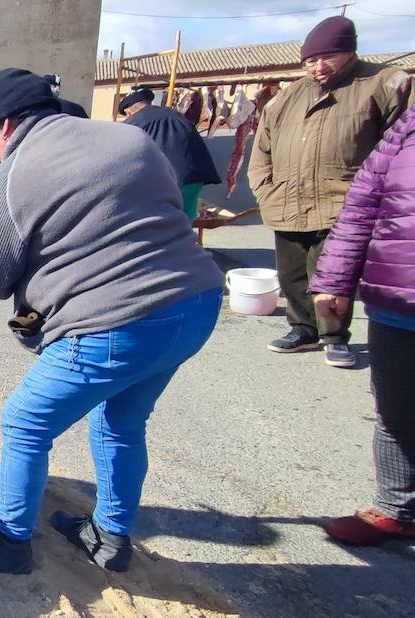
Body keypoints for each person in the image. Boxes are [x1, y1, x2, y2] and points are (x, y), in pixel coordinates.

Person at [0, 68, 223, 574]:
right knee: (121, 423)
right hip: (196, 303)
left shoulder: (13, 174)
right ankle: (110, 537)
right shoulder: (128, 137)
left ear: (4, 125)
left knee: (24, 423)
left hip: (119, 323)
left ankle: (9, 542)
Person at [248, 15, 412, 367]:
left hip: (344, 202)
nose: (318, 67)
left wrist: (383, 198)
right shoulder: (286, 98)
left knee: (331, 273)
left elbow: (401, 147)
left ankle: (334, 335)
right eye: (310, 60)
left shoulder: (382, 84)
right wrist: (265, 191)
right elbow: (261, 151)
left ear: (350, 52)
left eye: (327, 58)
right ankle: (302, 329)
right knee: (291, 273)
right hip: (287, 200)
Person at [309, 102, 415, 546]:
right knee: (395, 408)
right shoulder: (407, 128)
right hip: (397, 298)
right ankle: (396, 507)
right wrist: (334, 280)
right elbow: (362, 204)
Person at [118, 86, 222, 221]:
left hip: (164, 183)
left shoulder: (133, 123)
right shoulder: (176, 115)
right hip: (194, 178)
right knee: (183, 223)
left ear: (129, 112)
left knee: (158, 227)